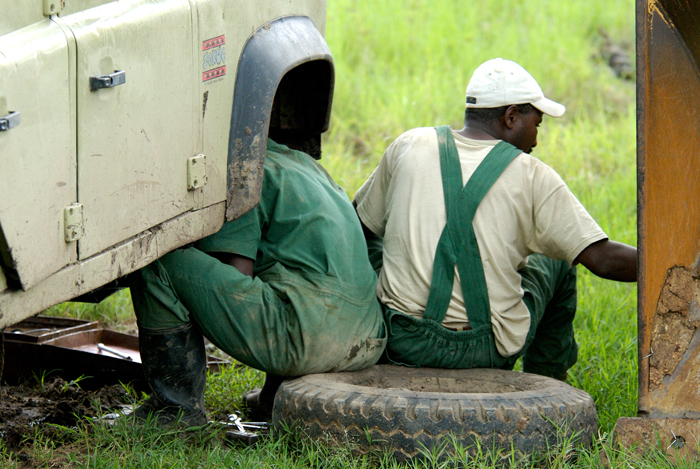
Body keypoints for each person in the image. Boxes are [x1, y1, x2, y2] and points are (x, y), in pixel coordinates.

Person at [353, 58, 636, 380]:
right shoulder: (534, 177)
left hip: (401, 339)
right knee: (563, 259)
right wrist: (679, 266)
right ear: (511, 116)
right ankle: (546, 386)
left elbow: (356, 228)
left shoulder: (409, 145)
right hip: (484, 349)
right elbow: (603, 259)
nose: (536, 140)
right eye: (537, 124)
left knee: (375, 237)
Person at [129, 139, 386, 426]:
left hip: (308, 336)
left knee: (156, 261)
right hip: (368, 338)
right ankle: (273, 399)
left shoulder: (241, 170)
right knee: (294, 280)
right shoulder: (305, 165)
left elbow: (237, 278)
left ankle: (174, 411)